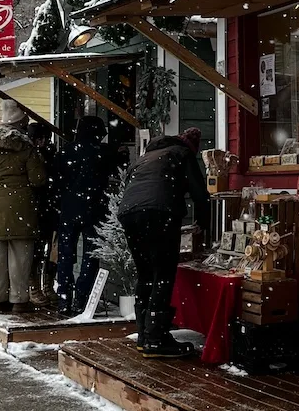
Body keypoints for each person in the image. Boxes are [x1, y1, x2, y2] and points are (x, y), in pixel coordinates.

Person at [118, 127, 210, 357]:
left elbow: (131, 187)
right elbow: (200, 193)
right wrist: (203, 224)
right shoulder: (182, 153)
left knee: (146, 273)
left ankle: (144, 334)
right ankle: (156, 339)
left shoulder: (145, 157)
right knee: (163, 273)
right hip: (159, 212)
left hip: (129, 213)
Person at [0, 100, 47, 314]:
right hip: (21, 208)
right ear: (22, 122)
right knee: (20, 257)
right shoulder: (27, 148)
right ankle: (20, 301)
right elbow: (38, 179)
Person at [53, 115, 115, 315]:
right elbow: (110, 176)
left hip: (69, 208)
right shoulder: (102, 153)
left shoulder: (65, 151)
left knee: (65, 255)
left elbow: (56, 182)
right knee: (91, 255)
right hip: (94, 210)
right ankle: (83, 297)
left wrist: (59, 203)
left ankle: (64, 297)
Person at [27, 122, 58, 306]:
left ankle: (46, 285)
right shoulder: (30, 156)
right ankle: (35, 287)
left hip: (46, 208)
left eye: (45, 138)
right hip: (37, 208)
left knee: (50, 251)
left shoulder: (49, 155)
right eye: (39, 138)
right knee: (37, 251)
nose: (43, 142)